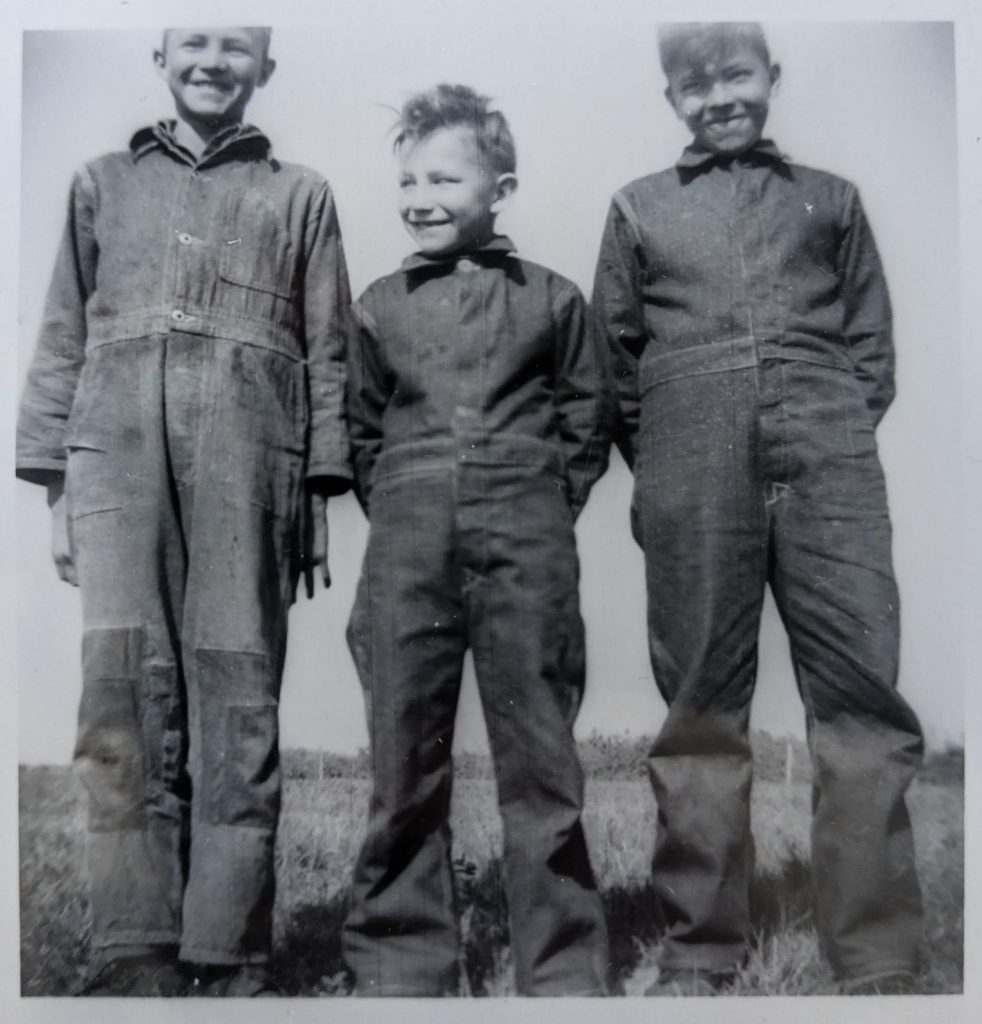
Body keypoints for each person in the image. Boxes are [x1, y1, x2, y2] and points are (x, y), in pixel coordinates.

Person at [16, 27, 351, 996]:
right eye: (194, 41)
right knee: (121, 684)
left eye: (236, 46)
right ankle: (134, 944)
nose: (213, 60)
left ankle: (227, 944)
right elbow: (60, 336)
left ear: (267, 68)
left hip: (254, 457)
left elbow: (327, 351)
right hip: (113, 459)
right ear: (160, 54)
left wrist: (317, 492)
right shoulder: (99, 183)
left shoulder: (301, 195)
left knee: (238, 688)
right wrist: (56, 488)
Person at [592, 22, 924, 996]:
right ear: (672, 102)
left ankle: (879, 954)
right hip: (690, 470)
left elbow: (870, 351)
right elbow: (616, 367)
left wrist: (824, 430)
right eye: (693, 86)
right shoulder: (639, 209)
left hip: (830, 461)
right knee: (700, 706)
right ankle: (699, 947)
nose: (717, 97)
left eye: (733, 74)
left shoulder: (830, 200)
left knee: (862, 699)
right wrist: (671, 462)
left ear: (770, 77)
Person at [343, 83, 611, 996]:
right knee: (404, 753)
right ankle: (399, 964)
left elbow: (586, 422)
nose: (420, 195)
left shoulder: (554, 300)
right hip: (408, 545)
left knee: (541, 757)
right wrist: (416, 506)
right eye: (408, 178)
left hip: (526, 538)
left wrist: (534, 501)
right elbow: (364, 429)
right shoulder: (378, 304)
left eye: (445, 178)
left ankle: (564, 969)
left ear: (501, 185)